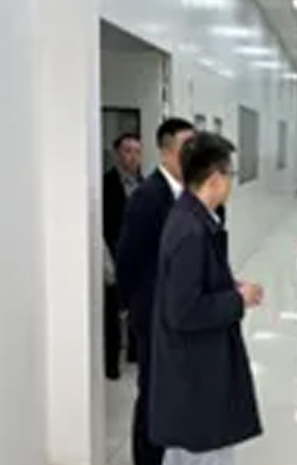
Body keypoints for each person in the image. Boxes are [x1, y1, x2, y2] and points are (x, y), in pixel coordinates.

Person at [149, 132, 263, 465]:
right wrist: (238, 300)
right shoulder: (191, 230)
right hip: (195, 370)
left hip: (195, 363)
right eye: (230, 174)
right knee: (200, 451)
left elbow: (192, 283)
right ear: (214, 179)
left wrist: (229, 285)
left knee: (188, 452)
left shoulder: (193, 217)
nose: (231, 183)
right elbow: (184, 311)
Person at [116, 118, 196, 465]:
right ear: (165, 152)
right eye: (186, 148)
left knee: (175, 391)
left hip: (184, 314)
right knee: (152, 394)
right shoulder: (147, 198)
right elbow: (128, 262)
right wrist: (138, 310)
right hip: (153, 316)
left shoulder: (195, 194)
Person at [104, 133, 144, 376]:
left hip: (140, 257)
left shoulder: (145, 184)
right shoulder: (106, 185)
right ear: (117, 154)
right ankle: (111, 364)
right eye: (127, 150)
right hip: (114, 255)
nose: (133, 156)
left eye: (137, 151)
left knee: (138, 306)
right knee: (112, 311)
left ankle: (135, 353)